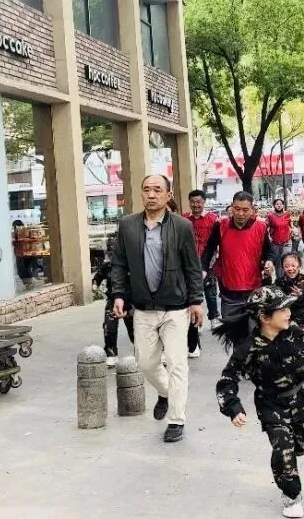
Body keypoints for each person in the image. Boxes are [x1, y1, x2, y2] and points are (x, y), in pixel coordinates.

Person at [216, 286, 304, 518]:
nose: (288, 313)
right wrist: (233, 407)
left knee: (302, 446)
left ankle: (291, 459)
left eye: (288, 308)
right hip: (271, 405)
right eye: (282, 310)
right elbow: (227, 380)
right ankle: (292, 496)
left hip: (301, 399)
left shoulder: (295, 331)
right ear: (265, 318)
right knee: (283, 447)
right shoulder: (249, 348)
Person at [110, 174, 204, 443]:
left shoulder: (182, 226)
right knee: (146, 362)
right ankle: (165, 392)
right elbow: (119, 264)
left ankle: (176, 419)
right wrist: (119, 295)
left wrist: (196, 301)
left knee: (177, 363)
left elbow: (192, 267)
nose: (151, 195)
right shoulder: (128, 226)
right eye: (146, 190)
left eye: (157, 190)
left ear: (168, 194)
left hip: (176, 308)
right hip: (143, 308)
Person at [203, 191, 275, 353]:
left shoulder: (261, 227)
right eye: (237, 209)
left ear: (252, 210)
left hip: (254, 289)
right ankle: (240, 361)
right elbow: (209, 249)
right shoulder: (221, 226)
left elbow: (269, 251)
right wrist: (203, 269)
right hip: (229, 290)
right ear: (232, 207)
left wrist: (269, 262)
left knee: (255, 332)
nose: (241, 214)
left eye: (245, 210)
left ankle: (253, 361)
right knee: (235, 335)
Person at [184, 189, 220, 354]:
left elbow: (217, 241)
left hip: (208, 260)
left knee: (210, 290)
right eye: (193, 202)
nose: (196, 205)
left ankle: (214, 317)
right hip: (190, 261)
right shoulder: (184, 219)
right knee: (192, 293)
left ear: (204, 202)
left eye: (198, 202)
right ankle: (195, 322)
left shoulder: (213, 219)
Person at [93, 245, 134, 367]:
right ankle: (111, 354)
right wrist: (95, 284)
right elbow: (98, 276)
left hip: (130, 300)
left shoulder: (131, 265)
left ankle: (140, 350)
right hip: (113, 300)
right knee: (109, 328)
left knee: (134, 328)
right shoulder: (107, 267)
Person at [275, 253, 304, 351]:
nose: (290, 269)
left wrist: (300, 294)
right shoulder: (280, 281)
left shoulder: (302, 279)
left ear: (299, 266)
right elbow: (273, 293)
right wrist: (266, 278)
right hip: (289, 318)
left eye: (293, 265)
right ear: (283, 268)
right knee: (291, 347)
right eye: (286, 266)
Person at [267, 198, 292, 278]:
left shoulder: (287, 214)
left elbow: (290, 224)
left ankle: (286, 279)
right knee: (278, 263)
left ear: (283, 205)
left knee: (285, 261)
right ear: (274, 205)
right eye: (277, 204)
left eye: (280, 204)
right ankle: (279, 280)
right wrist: (267, 237)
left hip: (286, 242)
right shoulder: (270, 216)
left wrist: (294, 230)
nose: (279, 205)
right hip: (275, 243)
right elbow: (265, 227)